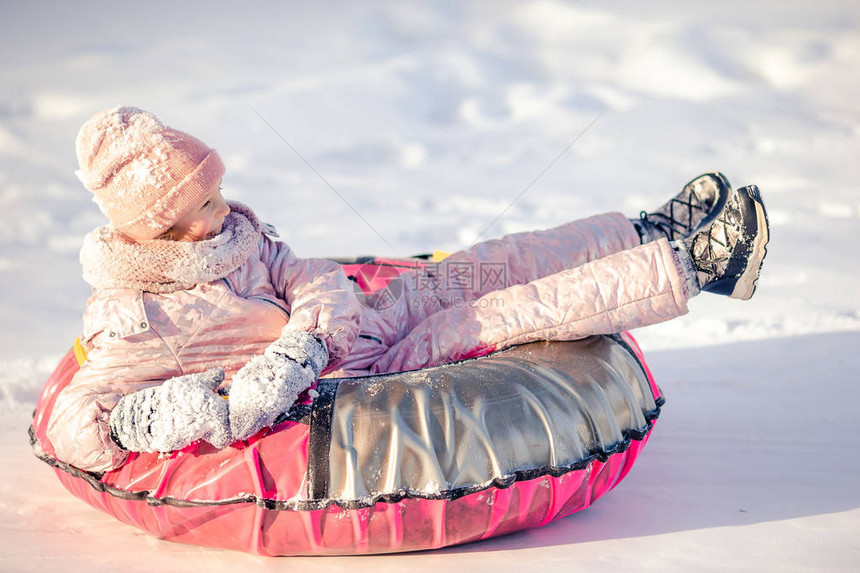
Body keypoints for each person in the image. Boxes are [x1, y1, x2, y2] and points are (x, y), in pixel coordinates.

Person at [46, 106, 769, 473]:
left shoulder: (235, 238)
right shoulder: (132, 317)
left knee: (491, 261)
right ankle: (701, 268)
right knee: (505, 311)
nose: (224, 207)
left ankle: (645, 230)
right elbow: (74, 421)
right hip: (357, 381)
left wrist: (307, 336)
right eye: (203, 203)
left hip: (350, 330)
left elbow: (312, 276)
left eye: (217, 190)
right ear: (159, 231)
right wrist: (166, 413)